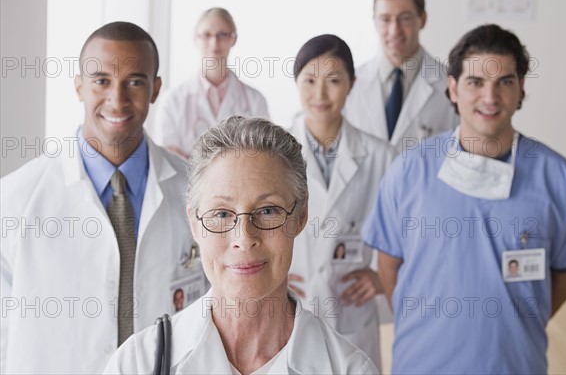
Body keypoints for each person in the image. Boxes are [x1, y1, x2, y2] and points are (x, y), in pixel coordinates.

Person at [362, 24, 566, 374]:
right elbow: (388, 264)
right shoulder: (410, 170)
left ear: (520, 89)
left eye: (505, 81)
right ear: (454, 88)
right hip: (421, 362)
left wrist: (519, 320)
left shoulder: (558, 177)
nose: (490, 97)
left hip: (515, 364)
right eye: (476, 82)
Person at [0, 22, 207, 374]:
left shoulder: (199, 191)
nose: (118, 99)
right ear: (79, 86)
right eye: (101, 81)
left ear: (156, 89)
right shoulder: (16, 198)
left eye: (135, 82)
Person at [104, 116, 379, 374]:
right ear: (194, 223)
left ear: (301, 215)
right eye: (222, 214)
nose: (244, 239)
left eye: (268, 211)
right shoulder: (137, 364)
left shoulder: (350, 369)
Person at [288, 34, 395, 370]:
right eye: (309, 80)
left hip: (351, 310)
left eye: (333, 81)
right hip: (290, 303)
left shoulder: (381, 157)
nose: (320, 94)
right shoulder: (273, 151)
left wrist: (381, 277)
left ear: (352, 83)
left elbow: (406, 232)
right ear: (297, 82)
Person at [344, 0, 457, 150]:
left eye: (404, 18)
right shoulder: (351, 84)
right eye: (385, 19)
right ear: (374, 22)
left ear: (423, 20)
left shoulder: (450, 86)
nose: (394, 30)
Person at [150, 7, 269, 158]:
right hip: (186, 183)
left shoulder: (255, 100)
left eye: (222, 34)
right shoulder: (172, 100)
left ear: (234, 39)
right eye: (206, 35)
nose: (214, 42)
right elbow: (167, 159)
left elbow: (262, 156)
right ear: (195, 39)